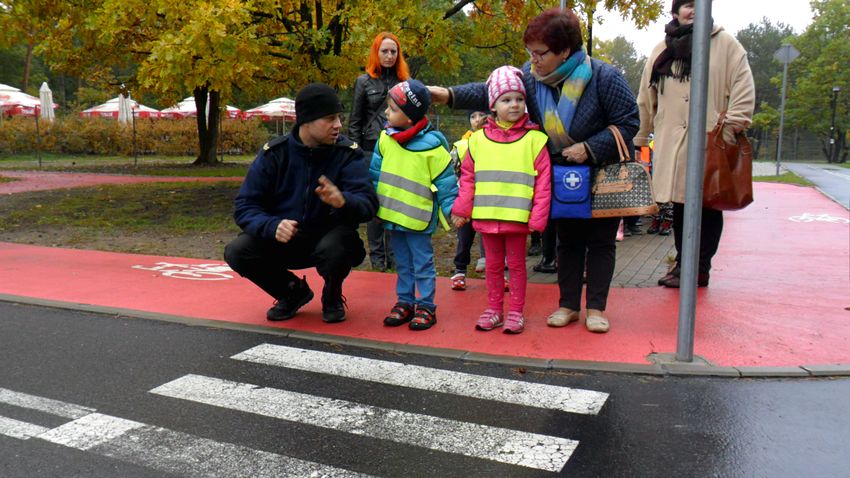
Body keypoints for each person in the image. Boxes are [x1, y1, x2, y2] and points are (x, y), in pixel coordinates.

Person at [429, 7, 640, 333]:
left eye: (541, 53)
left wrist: (589, 148)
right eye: (531, 52)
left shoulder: (604, 77)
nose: (534, 60)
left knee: (600, 243)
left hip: (600, 174)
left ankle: (596, 308)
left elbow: (628, 122)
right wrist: (449, 95)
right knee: (567, 242)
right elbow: (491, 91)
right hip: (561, 176)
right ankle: (568, 305)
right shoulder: (531, 77)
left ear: (565, 51)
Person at [224, 83, 378, 324]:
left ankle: (332, 296)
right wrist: (272, 225)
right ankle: (291, 292)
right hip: (285, 241)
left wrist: (343, 201)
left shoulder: (347, 154)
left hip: (328, 242)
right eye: (329, 118)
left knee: (338, 245)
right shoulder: (274, 154)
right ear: (306, 120)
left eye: (338, 117)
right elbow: (245, 206)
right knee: (237, 251)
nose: (338, 124)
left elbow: (369, 204)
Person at [635, 0, 755, 288]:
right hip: (672, 143)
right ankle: (683, 264)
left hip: (710, 141)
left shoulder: (727, 45)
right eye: (687, 5)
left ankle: (700, 267)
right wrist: (642, 134)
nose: (693, 11)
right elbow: (646, 96)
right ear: (676, 11)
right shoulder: (661, 49)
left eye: (698, 5)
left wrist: (729, 129)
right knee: (681, 205)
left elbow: (743, 89)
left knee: (709, 203)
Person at [451, 65, 551, 334]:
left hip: (517, 219)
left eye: (519, 99)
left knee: (516, 267)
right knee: (492, 267)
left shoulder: (535, 139)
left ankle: (516, 312)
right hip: (486, 216)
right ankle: (494, 309)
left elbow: (543, 183)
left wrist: (538, 218)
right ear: (492, 106)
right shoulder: (478, 141)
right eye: (506, 100)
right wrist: (462, 209)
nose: (514, 104)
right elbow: (468, 179)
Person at [370, 80, 458, 331]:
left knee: (422, 263)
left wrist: (453, 212)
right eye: (387, 107)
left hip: (418, 217)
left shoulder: (432, 146)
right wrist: (373, 207)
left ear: (410, 116)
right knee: (403, 262)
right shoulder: (385, 140)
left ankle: (426, 305)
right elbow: (375, 176)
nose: (386, 113)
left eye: (393, 109)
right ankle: (405, 302)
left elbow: (447, 183)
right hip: (393, 216)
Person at [348, 32, 410, 272]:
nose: (389, 55)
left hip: (398, 147)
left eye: (393, 51)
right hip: (370, 148)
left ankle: (394, 256)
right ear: (376, 52)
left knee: (394, 202)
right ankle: (377, 259)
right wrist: (355, 154)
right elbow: (355, 120)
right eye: (384, 51)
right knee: (375, 204)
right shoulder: (363, 82)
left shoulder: (404, 82)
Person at [450, 110, 489, 291]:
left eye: (481, 115)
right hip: (467, 197)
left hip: (489, 196)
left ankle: (494, 269)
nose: (477, 120)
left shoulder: (496, 140)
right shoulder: (460, 144)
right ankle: (459, 270)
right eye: (473, 117)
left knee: (491, 234)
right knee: (465, 236)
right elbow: (452, 171)